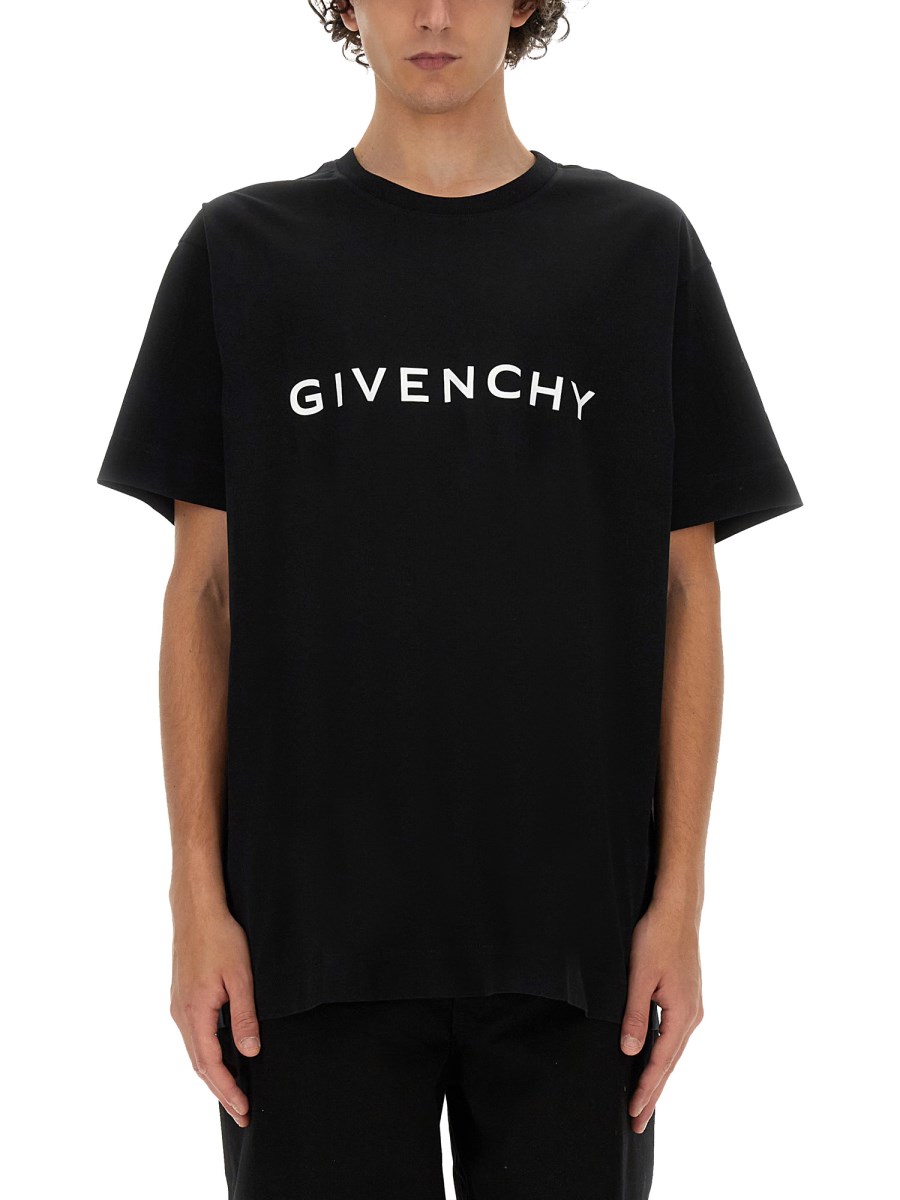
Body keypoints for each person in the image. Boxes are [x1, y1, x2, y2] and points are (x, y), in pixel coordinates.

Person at [96, 2, 804, 1196]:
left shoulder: (638, 251)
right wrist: (194, 901)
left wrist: (680, 900)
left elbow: (689, 590)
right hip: (302, 949)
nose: (433, 13)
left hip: (577, 945)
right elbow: (202, 594)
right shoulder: (243, 252)